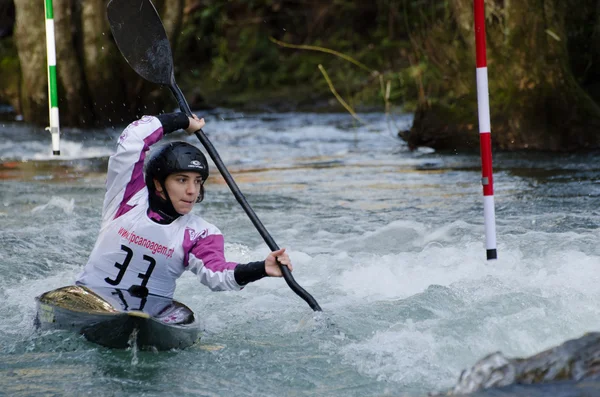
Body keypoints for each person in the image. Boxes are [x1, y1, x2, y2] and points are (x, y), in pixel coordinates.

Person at [76, 112, 293, 307]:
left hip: (149, 315)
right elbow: (133, 138)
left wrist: (261, 269)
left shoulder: (201, 233)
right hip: (90, 299)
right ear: (158, 183)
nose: (192, 191)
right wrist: (182, 121)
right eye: (181, 180)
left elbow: (217, 274)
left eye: (197, 181)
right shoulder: (126, 198)